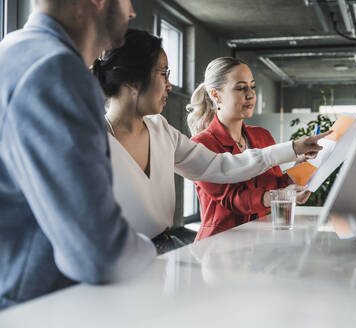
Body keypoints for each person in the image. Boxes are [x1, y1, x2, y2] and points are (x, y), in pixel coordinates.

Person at [91, 30, 329, 254]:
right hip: (117, 256)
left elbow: (221, 166)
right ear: (133, 80)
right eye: (163, 73)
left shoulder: (161, 129)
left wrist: (294, 149)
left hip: (164, 250)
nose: (169, 85)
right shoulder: (91, 140)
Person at [0, 0, 157, 310]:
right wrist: (151, 248)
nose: (132, 12)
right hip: (36, 308)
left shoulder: (13, 51)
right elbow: (100, 253)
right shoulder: (54, 70)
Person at [188, 57, 318, 241]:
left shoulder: (262, 136)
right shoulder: (202, 145)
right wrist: (278, 195)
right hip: (220, 246)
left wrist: (304, 167)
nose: (250, 95)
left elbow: (276, 186)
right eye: (241, 88)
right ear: (216, 95)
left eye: (252, 86)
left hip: (261, 242)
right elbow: (233, 199)